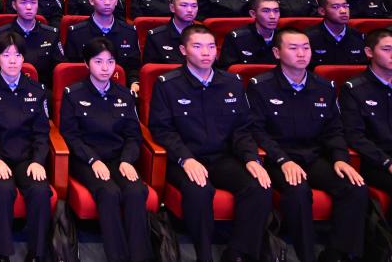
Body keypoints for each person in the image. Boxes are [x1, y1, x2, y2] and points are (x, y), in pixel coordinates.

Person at [148, 24, 272, 262]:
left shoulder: (232, 82)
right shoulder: (168, 84)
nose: (206, 53)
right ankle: (203, 255)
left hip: (223, 158)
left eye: (211, 47)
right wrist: (186, 159)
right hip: (185, 158)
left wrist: (251, 158)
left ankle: (236, 253)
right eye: (198, 46)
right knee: (200, 191)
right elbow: (162, 130)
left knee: (259, 186)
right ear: (183, 50)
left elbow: (242, 129)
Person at [246, 29, 367, 262]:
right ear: (277, 52)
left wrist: (341, 158)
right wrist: (283, 160)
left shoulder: (324, 86)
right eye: (293, 48)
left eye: (306, 47)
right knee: (298, 190)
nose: (301, 53)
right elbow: (256, 131)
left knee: (355, 187)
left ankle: (336, 253)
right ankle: (306, 255)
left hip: (313, 156)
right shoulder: (261, 86)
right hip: (278, 158)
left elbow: (333, 130)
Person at [59, 37, 152, 262]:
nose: (105, 68)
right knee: (108, 192)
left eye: (110, 62)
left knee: (136, 191)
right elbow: (70, 136)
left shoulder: (124, 95)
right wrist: (93, 160)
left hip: (119, 158)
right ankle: (117, 256)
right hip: (86, 159)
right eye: (98, 62)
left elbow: (133, 135)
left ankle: (139, 257)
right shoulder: (73, 94)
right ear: (86, 63)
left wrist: (127, 160)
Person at [0, 30, 52, 262]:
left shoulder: (37, 91)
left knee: (40, 190)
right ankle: (3, 254)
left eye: (17, 55)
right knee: (4, 189)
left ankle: (37, 253)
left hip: (26, 158)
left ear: (23, 58)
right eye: (6, 55)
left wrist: (38, 161)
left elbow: (42, 133)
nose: (13, 61)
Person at [341, 29, 392, 193]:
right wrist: (387, 162)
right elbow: (354, 136)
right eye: (387, 49)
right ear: (369, 52)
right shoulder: (354, 89)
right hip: (376, 161)